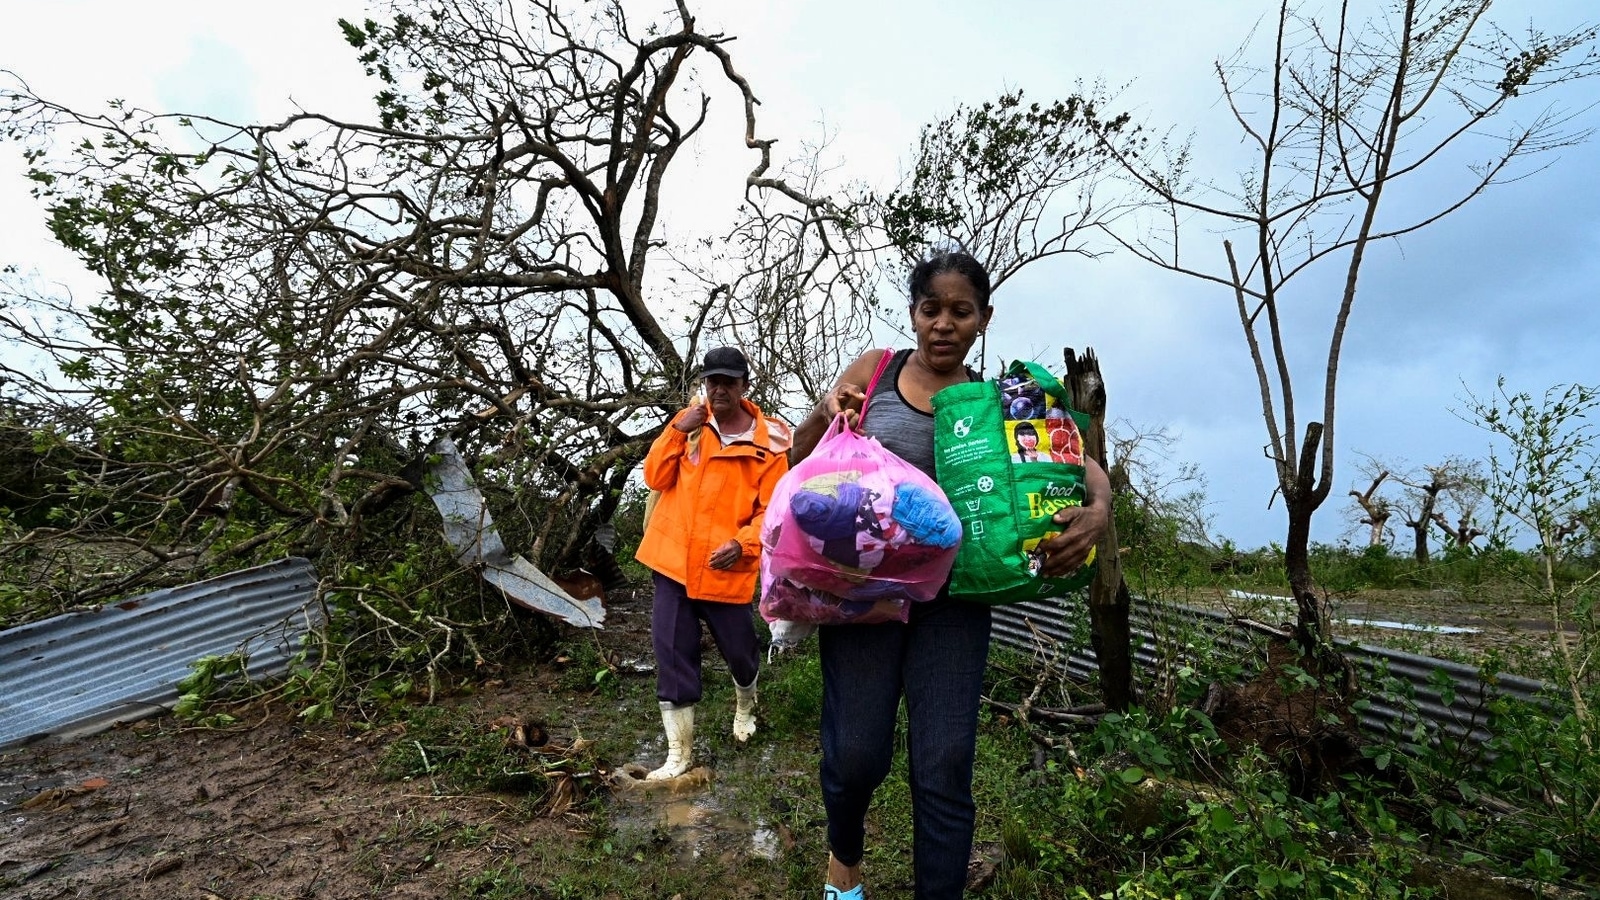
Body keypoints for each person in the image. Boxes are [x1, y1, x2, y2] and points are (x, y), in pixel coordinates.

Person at [789, 251, 1111, 900]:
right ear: (913, 312)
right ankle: (844, 858)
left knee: (944, 765)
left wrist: (1099, 507)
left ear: (983, 320)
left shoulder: (996, 402)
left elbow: (1073, 459)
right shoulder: (873, 372)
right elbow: (801, 456)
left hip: (953, 603)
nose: (943, 324)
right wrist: (828, 413)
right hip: (865, 595)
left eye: (960, 312)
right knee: (857, 756)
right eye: (931, 309)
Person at [634, 346, 791, 780]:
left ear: (745, 385)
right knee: (672, 652)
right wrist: (674, 430)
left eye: (728, 381)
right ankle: (678, 755)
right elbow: (654, 478)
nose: (719, 389)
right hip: (673, 563)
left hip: (726, 567)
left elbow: (771, 512)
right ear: (704, 384)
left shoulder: (770, 443)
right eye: (712, 381)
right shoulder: (690, 427)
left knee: (740, 652)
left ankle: (745, 705)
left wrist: (742, 545)